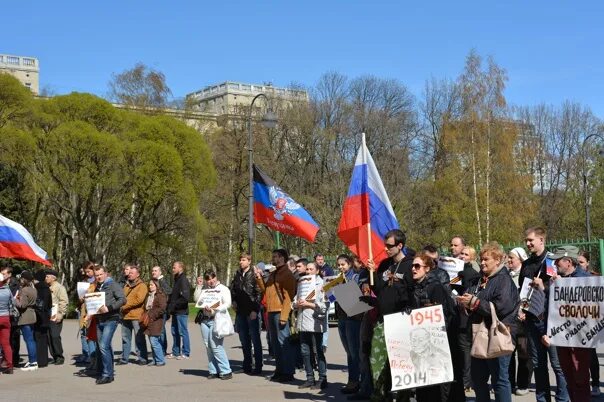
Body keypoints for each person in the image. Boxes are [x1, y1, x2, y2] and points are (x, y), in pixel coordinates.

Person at [458, 241, 519, 402]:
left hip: (497, 334)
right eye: (481, 259)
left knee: (499, 380)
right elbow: (472, 297)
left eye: (486, 259)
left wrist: (475, 303)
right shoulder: (481, 279)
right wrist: (465, 302)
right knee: (478, 379)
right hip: (480, 336)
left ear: (498, 260)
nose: (482, 262)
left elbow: (502, 309)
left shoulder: (504, 280)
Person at [533, 246, 591, 402]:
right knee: (568, 377)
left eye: (558, 260)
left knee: (580, 379)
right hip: (561, 337)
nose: (555, 264)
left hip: (578, 340)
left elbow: (587, 309)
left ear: (568, 262)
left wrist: (563, 287)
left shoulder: (585, 279)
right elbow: (552, 309)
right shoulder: (557, 279)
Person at [364, 229, 414, 402]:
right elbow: (378, 289)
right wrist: (373, 273)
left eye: (389, 246)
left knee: (400, 364)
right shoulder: (385, 264)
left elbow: (412, 290)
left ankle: (403, 397)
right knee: (377, 361)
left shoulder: (410, 265)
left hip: (401, 321)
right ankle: (379, 395)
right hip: (382, 319)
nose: (386, 249)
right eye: (385, 245)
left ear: (400, 246)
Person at [520, 227, 568, 402]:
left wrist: (544, 287)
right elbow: (524, 290)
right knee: (538, 364)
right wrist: (523, 310)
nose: (528, 243)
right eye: (526, 240)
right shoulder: (526, 264)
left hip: (552, 320)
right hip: (532, 320)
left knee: (558, 365)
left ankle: (562, 399)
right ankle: (542, 399)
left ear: (542, 240)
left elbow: (559, 290)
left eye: (531, 240)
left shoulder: (551, 261)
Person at [410, 252, 463, 402]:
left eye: (417, 266)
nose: (413, 269)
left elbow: (445, 314)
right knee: (424, 383)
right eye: (412, 266)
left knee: (439, 385)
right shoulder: (413, 288)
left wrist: (433, 310)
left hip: (437, 343)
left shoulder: (436, 287)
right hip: (421, 344)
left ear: (427, 269)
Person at [254, 248, 296, 383]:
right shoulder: (273, 274)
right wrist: (259, 277)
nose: (273, 258)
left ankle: (288, 372)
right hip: (271, 311)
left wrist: (284, 316)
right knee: (275, 344)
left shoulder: (286, 274)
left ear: (282, 258)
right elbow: (266, 290)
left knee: (284, 343)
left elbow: (288, 297)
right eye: (273, 256)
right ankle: (279, 370)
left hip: (279, 311)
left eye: (276, 256)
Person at [293, 261, 327, 390]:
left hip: (315, 323)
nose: (308, 272)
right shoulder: (302, 282)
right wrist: (296, 304)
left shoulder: (322, 285)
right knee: (305, 352)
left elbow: (324, 306)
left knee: (318, 352)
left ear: (317, 271)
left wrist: (309, 304)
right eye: (306, 269)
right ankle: (309, 378)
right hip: (303, 322)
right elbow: (295, 301)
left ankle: (323, 379)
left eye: (311, 269)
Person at [89, 264, 125, 385]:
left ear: (106, 273)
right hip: (99, 319)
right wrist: (90, 312)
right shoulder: (97, 287)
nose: (98, 277)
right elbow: (94, 303)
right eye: (96, 275)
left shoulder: (113, 285)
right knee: (103, 346)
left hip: (111, 318)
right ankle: (107, 372)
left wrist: (109, 308)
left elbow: (123, 300)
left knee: (104, 345)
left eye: (100, 274)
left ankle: (106, 374)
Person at [194, 270, 233, 380]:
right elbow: (197, 300)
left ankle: (226, 370)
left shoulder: (223, 289)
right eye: (208, 279)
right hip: (205, 320)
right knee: (208, 346)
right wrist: (199, 286)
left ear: (216, 277)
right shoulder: (205, 289)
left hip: (216, 319)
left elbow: (228, 303)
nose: (210, 281)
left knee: (216, 346)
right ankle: (213, 370)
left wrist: (215, 309)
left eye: (212, 278)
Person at [336, 254, 364, 395]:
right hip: (342, 317)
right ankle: (352, 380)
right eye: (339, 265)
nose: (341, 267)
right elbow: (332, 297)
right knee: (348, 351)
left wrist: (345, 288)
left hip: (353, 317)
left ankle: (356, 381)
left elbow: (359, 297)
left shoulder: (355, 277)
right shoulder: (339, 279)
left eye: (343, 264)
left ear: (350, 264)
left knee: (354, 351)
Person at [230, 252, 263, 375]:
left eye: (243, 260)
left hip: (251, 311)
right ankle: (247, 365)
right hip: (240, 311)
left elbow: (259, 293)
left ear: (249, 261)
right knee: (244, 340)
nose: (241, 262)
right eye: (240, 260)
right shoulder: (238, 274)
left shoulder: (253, 275)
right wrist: (233, 301)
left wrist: (255, 309)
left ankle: (258, 366)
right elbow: (233, 289)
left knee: (255, 339)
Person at [506, 247, 532, 396]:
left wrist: (524, 311)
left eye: (512, 258)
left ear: (520, 260)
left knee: (523, 352)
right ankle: (509, 383)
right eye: (508, 258)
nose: (509, 260)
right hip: (509, 320)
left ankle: (523, 383)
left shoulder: (525, 274)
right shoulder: (506, 275)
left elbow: (528, 294)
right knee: (508, 352)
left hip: (522, 320)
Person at [577, 251, 602, 396]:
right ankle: (581, 384)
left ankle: (596, 384)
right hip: (574, 322)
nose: (579, 265)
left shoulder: (594, 278)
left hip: (590, 322)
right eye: (577, 262)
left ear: (587, 263)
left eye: (581, 262)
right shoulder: (569, 278)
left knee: (591, 354)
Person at [118, 264, 149, 365]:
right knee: (125, 338)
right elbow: (122, 297)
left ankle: (142, 358)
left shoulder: (142, 286)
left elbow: (138, 300)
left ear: (138, 274)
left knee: (139, 338)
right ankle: (124, 358)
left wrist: (124, 306)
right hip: (125, 316)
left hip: (136, 316)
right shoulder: (126, 285)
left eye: (132, 273)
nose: (129, 274)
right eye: (129, 273)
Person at [167, 261, 191, 360]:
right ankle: (176, 351)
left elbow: (185, 297)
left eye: (174, 267)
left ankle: (186, 352)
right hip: (175, 311)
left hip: (181, 311)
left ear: (180, 268)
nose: (172, 269)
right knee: (174, 331)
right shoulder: (176, 279)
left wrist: (175, 305)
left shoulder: (183, 280)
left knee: (183, 332)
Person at [15, 270, 38, 371]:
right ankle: (33, 360)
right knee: (31, 339)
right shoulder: (33, 289)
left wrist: (14, 299)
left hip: (25, 316)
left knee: (28, 340)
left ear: (24, 279)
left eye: (21, 278)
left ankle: (33, 362)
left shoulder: (24, 290)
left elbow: (22, 305)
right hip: (32, 314)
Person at [45, 269, 67, 365]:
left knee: (55, 336)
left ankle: (59, 356)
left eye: (47, 276)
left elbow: (64, 301)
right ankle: (54, 356)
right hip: (47, 315)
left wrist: (60, 314)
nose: (46, 278)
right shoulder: (46, 287)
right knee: (49, 336)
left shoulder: (59, 288)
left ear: (53, 278)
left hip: (56, 314)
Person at [143, 279, 167, 366]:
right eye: (149, 285)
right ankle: (155, 359)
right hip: (148, 321)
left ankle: (160, 360)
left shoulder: (160, 295)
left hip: (156, 321)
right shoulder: (149, 295)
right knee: (151, 341)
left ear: (157, 286)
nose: (150, 287)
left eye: (152, 285)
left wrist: (152, 315)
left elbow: (162, 309)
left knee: (154, 341)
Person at [77, 262, 96, 365]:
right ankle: (85, 354)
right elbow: (80, 297)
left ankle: (92, 355)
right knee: (83, 332)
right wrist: (80, 299)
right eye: (85, 271)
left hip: (92, 310)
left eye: (89, 271)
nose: (87, 273)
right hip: (83, 309)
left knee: (91, 334)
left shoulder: (97, 282)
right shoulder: (83, 281)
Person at [33, 269, 52, 369]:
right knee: (44, 338)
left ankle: (37, 360)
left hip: (37, 316)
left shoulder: (36, 288)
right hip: (45, 317)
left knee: (36, 337)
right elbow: (50, 304)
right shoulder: (47, 288)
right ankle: (44, 361)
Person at [151, 265, 171, 355]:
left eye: (155, 271)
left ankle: (162, 350)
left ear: (160, 272)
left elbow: (169, 291)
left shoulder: (162, 281)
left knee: (161, 330)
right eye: (152, 271)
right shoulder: (153, 281)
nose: (153, 272)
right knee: (156, 330)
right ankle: (158, 350)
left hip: (162, 310)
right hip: (154, 310)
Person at [0, 269, 14, 374]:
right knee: (6, 344)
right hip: (5, 318)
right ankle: (10, 366)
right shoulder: (8, 290)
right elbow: (11, 304)